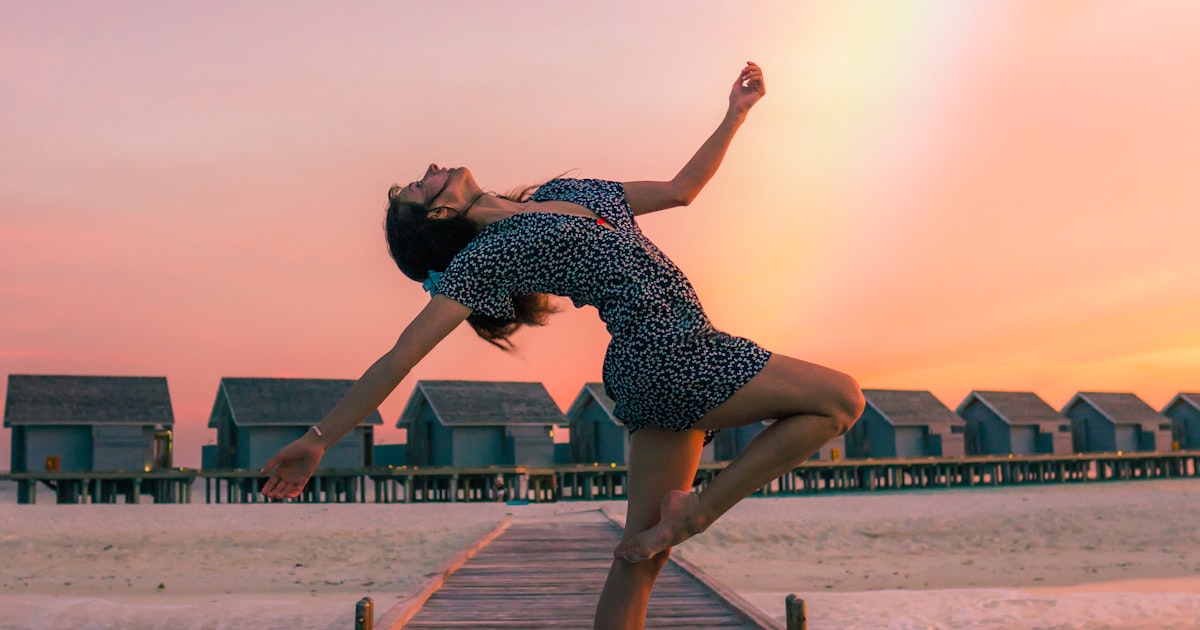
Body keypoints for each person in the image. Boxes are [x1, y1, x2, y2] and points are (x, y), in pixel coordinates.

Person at [260, 61, 864, 630]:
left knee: (639, 559)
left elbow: (682, 189)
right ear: (441, 213)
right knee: (840, 400)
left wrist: (735, 113)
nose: (433, 167)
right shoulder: (486, 257)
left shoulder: (571, 190)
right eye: (424, 184)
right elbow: (401, 356)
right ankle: (698, 512)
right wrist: (318, 441)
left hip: (649, 367)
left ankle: (680, 519)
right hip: (669, 353)